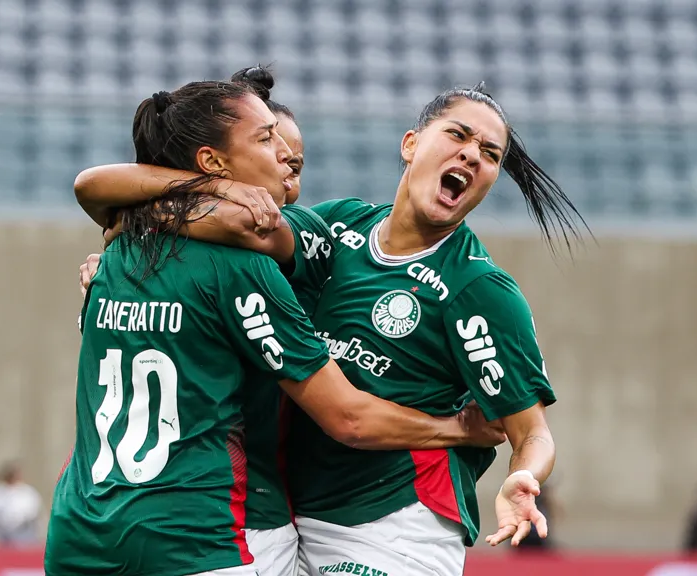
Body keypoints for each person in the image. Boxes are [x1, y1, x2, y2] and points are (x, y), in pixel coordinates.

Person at [73, 79, 588, 575]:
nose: (473, 155)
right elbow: (230, 223)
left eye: (491, 154)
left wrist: (523, 475)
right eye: (458, 134)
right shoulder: (340, 228)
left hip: (398, 523)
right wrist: (133, 235)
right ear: (410, 145)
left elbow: (532, 433)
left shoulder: (479, 290)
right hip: (300, 518)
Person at [0, 460, 42, 545]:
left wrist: (18, 520)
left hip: (22, 532)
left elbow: (32, 511)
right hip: (0, 532)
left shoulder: (27, 492)